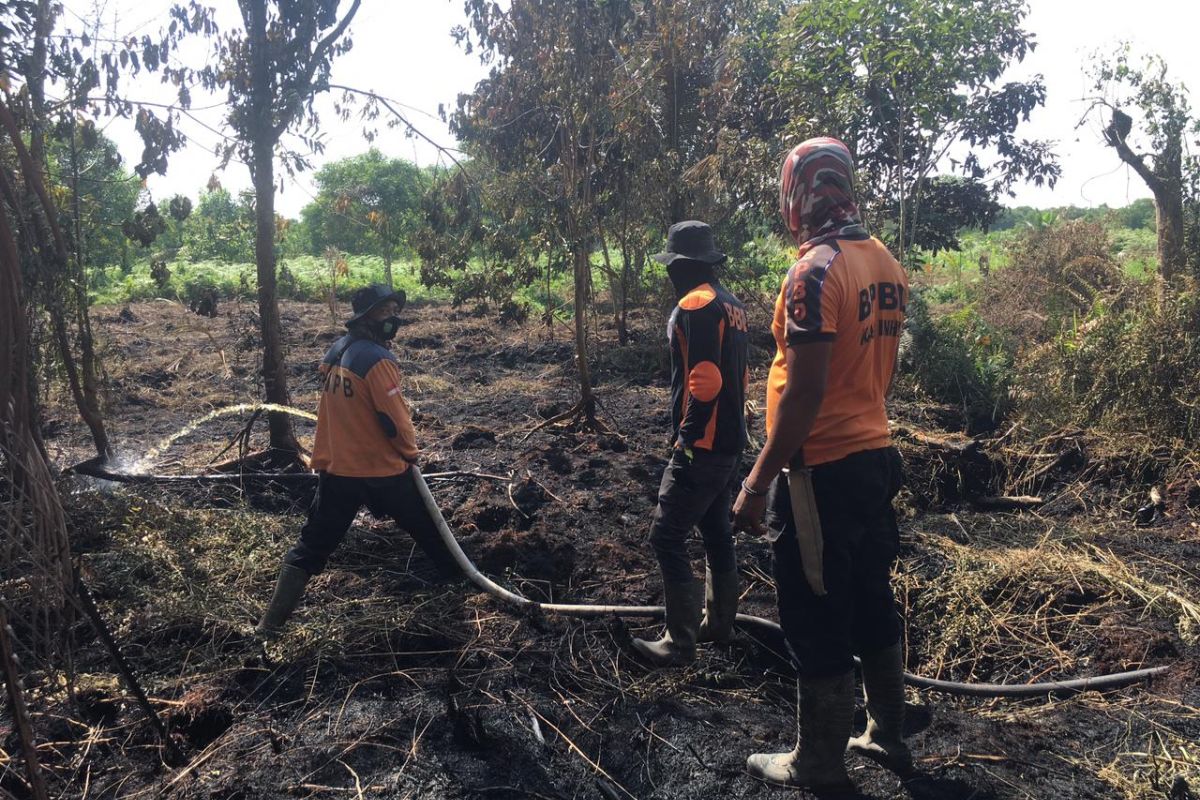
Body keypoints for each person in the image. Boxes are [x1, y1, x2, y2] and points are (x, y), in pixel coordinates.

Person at [732, 139, 911, 789]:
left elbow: (805, 390)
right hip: (873, 455)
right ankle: (887, 734)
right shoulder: (883, 260)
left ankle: (819, 760)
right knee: (869, 596)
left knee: (814, 611)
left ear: (795, 195)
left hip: (820, 472)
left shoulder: (813, 271)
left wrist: (757, 480)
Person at [255, 284, 461, 639]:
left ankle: (268, 627)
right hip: (381, 469)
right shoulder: (379, 361)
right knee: (431, 530)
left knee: (311, 546)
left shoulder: (337, 352)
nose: (392, 319)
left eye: (395, 311)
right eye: (385, 312)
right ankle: (462, 590)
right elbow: (394, 420)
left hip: (337, 469)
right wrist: (411, 453)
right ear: (366, 318)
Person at [631, 220, 749, 666]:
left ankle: (679, 643)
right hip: (731, 442)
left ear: (683, 265)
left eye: (671, 266)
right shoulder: (732, 304)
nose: (668, 274)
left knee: (666, 536)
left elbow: (706, 380)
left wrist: (686, 439)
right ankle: (719, 625)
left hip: (703, 446)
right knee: (717, 531)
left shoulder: (695, 305)